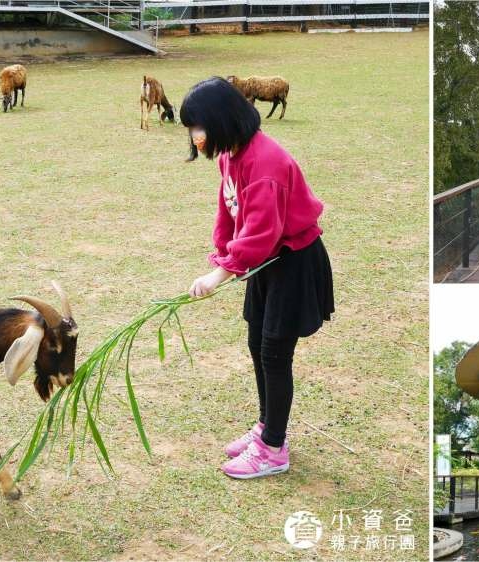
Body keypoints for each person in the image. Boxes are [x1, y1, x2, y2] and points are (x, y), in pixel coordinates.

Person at [180, 77, 334, 479]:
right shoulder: (231, 155)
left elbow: (263, 231)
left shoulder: (265, 163)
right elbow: (230, 214)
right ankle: (267, 427)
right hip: (267, 262)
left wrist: (221, 273)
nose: (196, 136)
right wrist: (222, 255)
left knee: (274, 354)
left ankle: (273, 450)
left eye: (198, 127)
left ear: (219, 120)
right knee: (256, 341)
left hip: (292, 261)